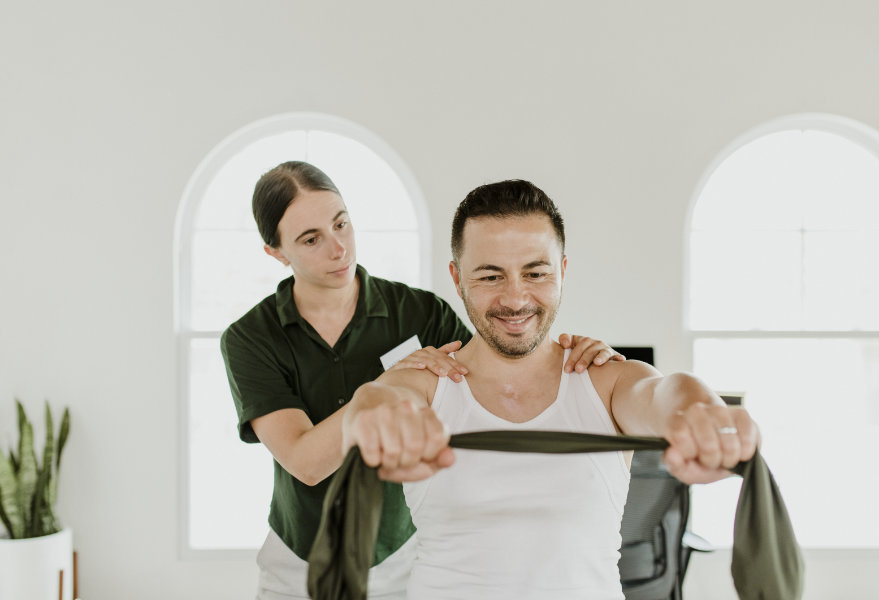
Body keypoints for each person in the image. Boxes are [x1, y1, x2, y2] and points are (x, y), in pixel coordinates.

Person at [219, 162, 623, 600]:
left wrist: (580, 354)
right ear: (276, 252)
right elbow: (306, 462)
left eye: (341, 224)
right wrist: (390, 384)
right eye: (311, 239)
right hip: (301, 559)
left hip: (401, 555)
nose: (338, 248)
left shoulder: (421, 313)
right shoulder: (250, 337)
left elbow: (499, 363)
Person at [342, 179, 761, 600]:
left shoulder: (606, 380)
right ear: (457, 278)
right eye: (490, 276)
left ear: (561, 270)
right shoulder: (423, 384)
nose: (515, 298)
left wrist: (700, 412)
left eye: (535, 273)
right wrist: (376, 417)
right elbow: (377, 402)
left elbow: (663, 392)